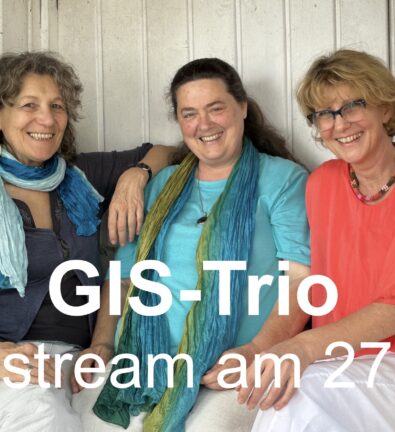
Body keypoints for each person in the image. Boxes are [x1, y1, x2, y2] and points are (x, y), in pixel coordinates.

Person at [0, 51, 173, 432]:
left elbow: (169, 152)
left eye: (57, 106)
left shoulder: (81, 177)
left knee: (140, 416)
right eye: (29, 105)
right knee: (44, 419)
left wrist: (137, 175)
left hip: (76, 363)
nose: (47, 119)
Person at [73, 58, 311, 431]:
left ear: (243, 108)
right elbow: (124, 277)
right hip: (139, 364)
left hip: (231, 369)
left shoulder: (282, 180)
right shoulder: (161, 184)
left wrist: (255, 351)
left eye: (216, 109)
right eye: (190, 114)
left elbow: (300, 281)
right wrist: (102, 343)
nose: (204, 124)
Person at [244, 49, 395, 431]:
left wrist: (301, 347)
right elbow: (308, 285)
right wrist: (260, 348)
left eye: (353, 105)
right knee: (286, 391)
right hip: (346, 363)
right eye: (325, 113)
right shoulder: (322, 184)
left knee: (302, 392)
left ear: (385, 108)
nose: (339, 124)